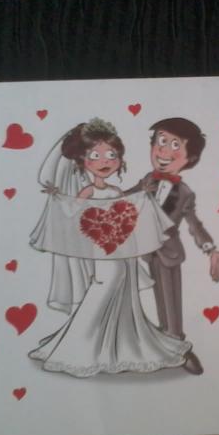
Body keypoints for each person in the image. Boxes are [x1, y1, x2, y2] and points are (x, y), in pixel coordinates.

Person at [28, 118, 197, 377]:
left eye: (111, 155)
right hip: (103, 255)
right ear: (83, 161)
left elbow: (129, 210)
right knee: (102, 289)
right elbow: (72, 212)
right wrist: (59, 198)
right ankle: (79, 346)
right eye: (95, 156)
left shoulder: (117, 191)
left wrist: (139, 197)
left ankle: (118, 345)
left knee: (123, 294)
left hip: (122, 255)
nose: (104, 161)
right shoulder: (87, 192)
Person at [126, 117, 219, 375]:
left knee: (171, 302)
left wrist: (210, 250)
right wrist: (113, 193)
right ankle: (160, 343)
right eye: (161, 141)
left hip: (169, 252)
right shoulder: (147, 180)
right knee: (153, 300)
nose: (164, 150)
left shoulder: (184, 192)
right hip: (146, 252)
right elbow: (125, 200)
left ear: (189, 158)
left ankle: (180, 349)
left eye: (175, 145)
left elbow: (195, 225)